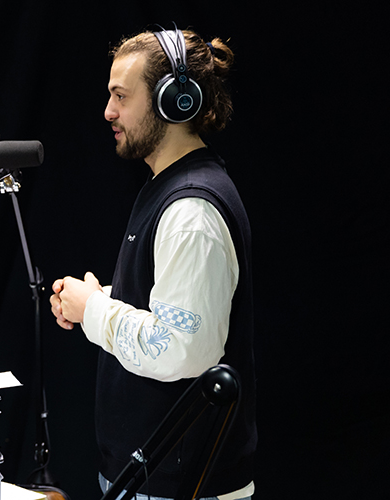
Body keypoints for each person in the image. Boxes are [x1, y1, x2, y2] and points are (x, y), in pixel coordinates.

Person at [49, 27, 256, 500]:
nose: (109, 111)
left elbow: (183, 350)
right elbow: (173, 313)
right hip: (151, 481)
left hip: (182, 487)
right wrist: (95, 301)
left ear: (173, 102)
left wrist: (94, 310)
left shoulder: (191, 213)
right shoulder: (166, 188)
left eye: (121, 96)